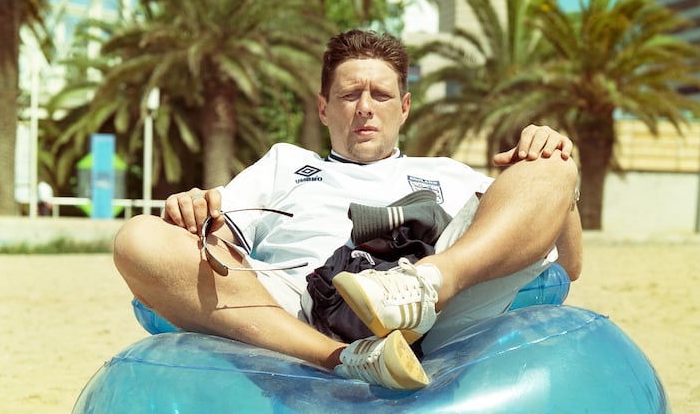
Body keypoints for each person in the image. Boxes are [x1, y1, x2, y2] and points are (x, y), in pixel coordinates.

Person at [114, 29, 582, 391]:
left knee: (553, 163)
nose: (364, 108)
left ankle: (424, 284)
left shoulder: (448, 172)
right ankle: (343, 358)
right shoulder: (285, 164)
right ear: (323, 109)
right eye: (348, 95)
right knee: (139, 237)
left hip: (437, 309)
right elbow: (219, 248)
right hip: (297, 311)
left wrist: (554, 163)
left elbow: (570, 265)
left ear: (404, 107)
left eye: (380, 96)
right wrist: (193, 217)